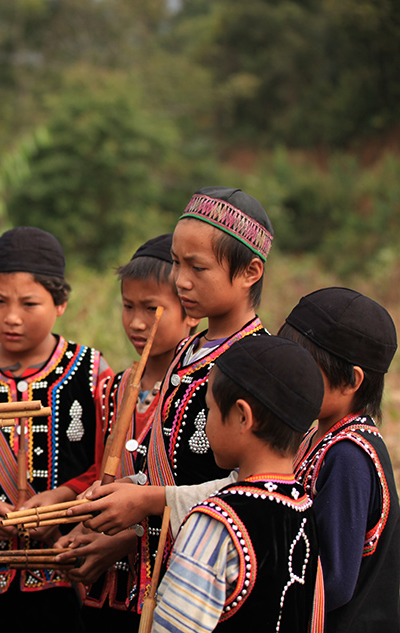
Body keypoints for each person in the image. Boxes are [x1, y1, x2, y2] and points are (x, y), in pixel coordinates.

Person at [62, 186, 274, 613]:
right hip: (151, 582)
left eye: (197, 267)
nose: (180, 280)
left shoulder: (261, 366)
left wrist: (149, 501)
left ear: (250, 271)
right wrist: (124, 492)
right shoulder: (186, 350)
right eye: (177, 263)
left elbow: (260, 487)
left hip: (209, 587)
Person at [0, 226, 113, 632]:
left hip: (63, 574)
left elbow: (108, 465)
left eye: (29, 303)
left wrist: (66, 500)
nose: (11, 317)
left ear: (61, 303)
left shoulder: (92, 374)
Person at [40, 234, 198, 628]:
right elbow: (100, 475)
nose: (136, 322)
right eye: (128, 306)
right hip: (106, 596)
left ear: (191, 311)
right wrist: (81, 526)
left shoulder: (203, 391)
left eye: (152, 308)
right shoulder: (112, 389)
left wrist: (128, 536)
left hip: (165, 590)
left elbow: (207, 491)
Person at [152, 335, 325, 632]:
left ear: (242, 417)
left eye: (210, 410)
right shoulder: (303, 506)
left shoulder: (216, 522)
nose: (206, 423)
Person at [280, 287, 400, 631]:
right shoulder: (314, 435)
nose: (291, 377)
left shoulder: (348, 455)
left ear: (352, 381)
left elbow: (331, 581)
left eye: (303, 367)